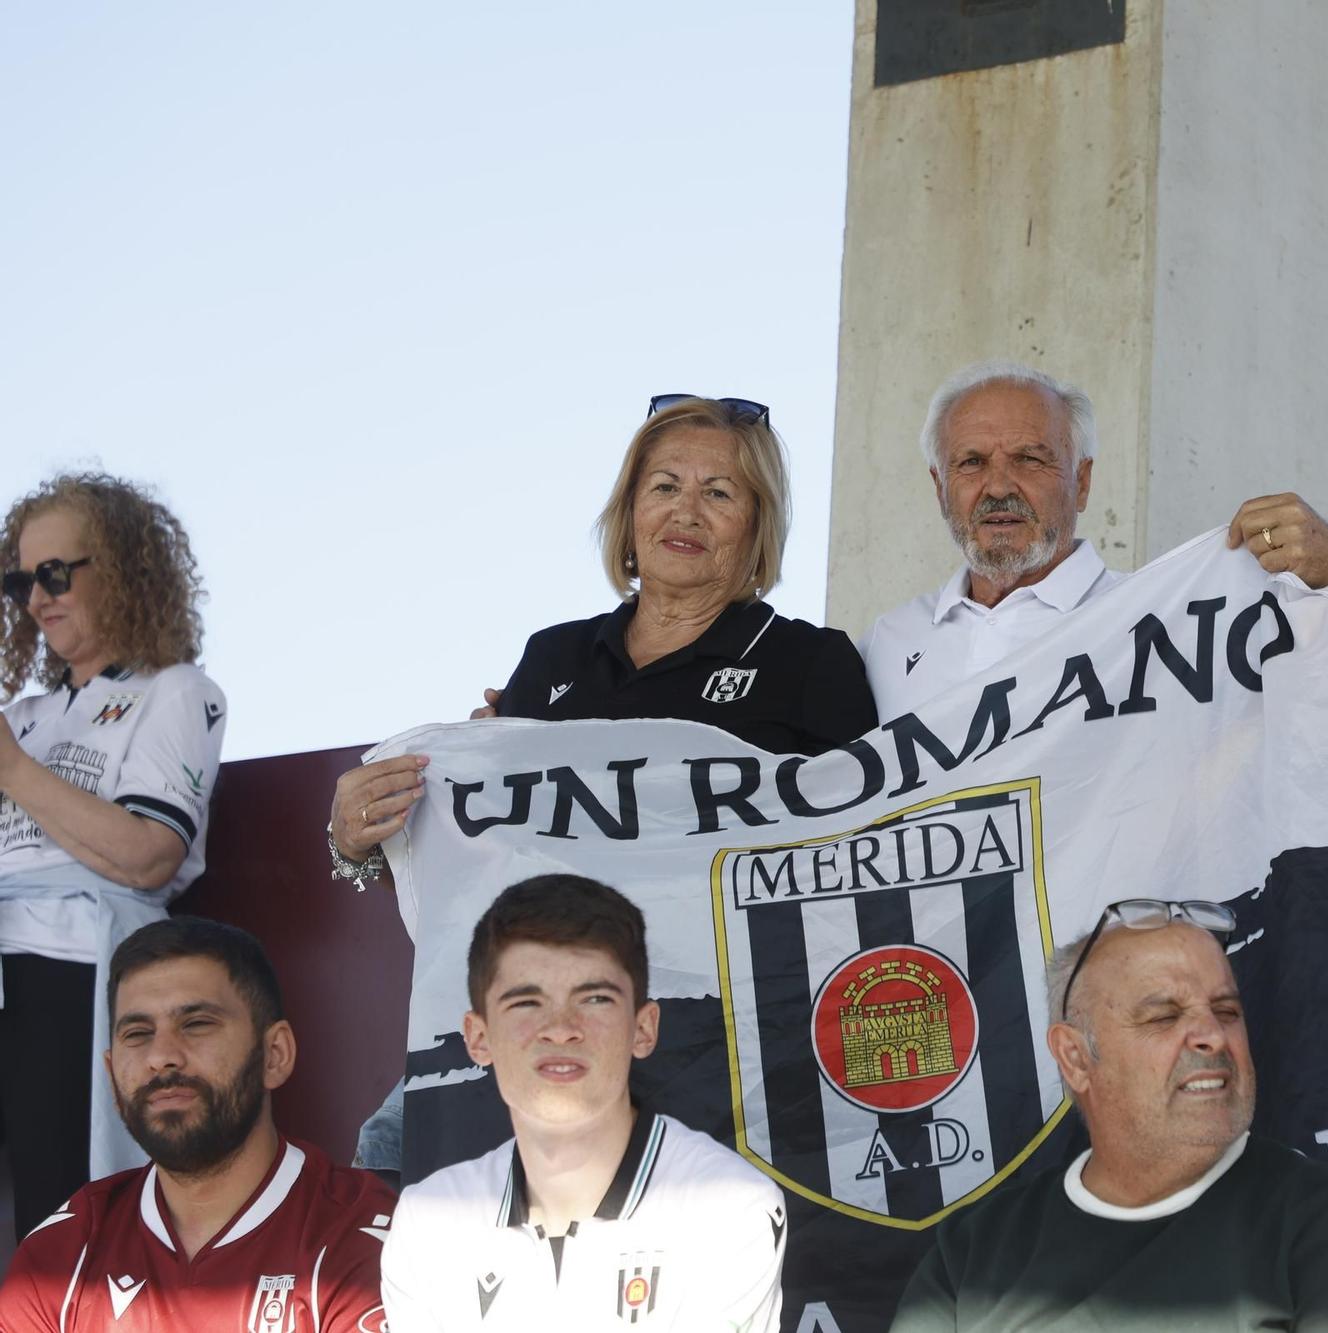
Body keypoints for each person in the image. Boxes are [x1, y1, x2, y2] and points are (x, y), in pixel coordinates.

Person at [326, 395, 877, 1177]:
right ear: (628, 511)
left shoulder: (809, 663)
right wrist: (356, 836)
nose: (685, 510)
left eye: (720, 493)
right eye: (663, 486)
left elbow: (864, 843)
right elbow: (480, 852)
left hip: (715, 1016)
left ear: (756, 527)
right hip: (534, 999)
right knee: (388, 1158)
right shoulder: (552, 659)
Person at [889, 898, 1328, 1332]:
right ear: (1076, 1058)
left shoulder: (1323, 1223)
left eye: (1227, 1011)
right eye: (1164, 1016)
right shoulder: (972, 1252)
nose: (1213, 1036)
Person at [861, 361, 1328, 715]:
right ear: (939, 487)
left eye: (1029, 459)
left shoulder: (1175, 626)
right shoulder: (886, 644)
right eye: (971, 463)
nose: (998, 486)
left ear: (1081, 482)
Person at [381, 874, 786, 1330]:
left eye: (594, 998)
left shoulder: (728, 1207)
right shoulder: (428, 1222)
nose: (561, 1028)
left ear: (643, 1028)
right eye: (526, 1002)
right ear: (478, 1038)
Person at [0, 472, 227, 1239]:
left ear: (124, 569)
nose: (36, 597)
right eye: (19, 580)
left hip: (73, 971)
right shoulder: (22, 716)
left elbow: (150, 855)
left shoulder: (177, 690)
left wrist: (15, 773)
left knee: (56, 1217)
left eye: (55, 573)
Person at [0, 917, 397, 1330]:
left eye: (196, 1024)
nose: (162, 1056)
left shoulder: (362, 1239)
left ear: (274, 1054)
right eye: (137, 1033)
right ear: (112, 1074)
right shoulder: (60, 1257)